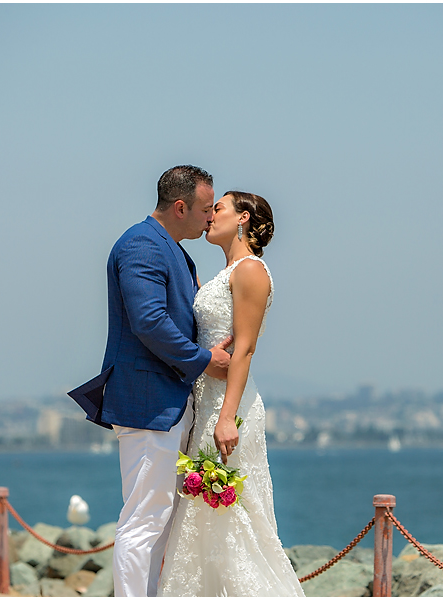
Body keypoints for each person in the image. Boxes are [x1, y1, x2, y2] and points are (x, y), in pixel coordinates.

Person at [69, 165, 233, 597]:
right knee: (144, 519)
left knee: (160, 520)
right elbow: (149, 321)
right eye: (203, 210)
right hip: (146, 403)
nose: (209, 218)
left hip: (168, 402)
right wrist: (204, 360)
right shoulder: (142, 244)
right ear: (180, 207)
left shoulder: (175, 250)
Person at [158, 191, 305, 597]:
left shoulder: (252, 270)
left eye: (217, 208)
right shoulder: (224, 273)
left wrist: (226, 416)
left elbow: (245, 348)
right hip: (202, 402)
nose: (209, 216)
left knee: (233, 515)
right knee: (202, 516)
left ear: (242, 218)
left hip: (228, 406)